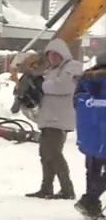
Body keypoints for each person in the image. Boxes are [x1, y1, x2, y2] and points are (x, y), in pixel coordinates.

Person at [25, 38, 83, 199]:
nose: (53, 58)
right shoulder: (52, 70)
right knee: (45, 154)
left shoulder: (73, 67)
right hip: (48, 118)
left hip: (59, 119)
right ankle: (46, 187)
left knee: (54, 154)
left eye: (56, 55)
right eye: (50, 55)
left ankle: (67, 189)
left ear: (63, 54)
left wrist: (40, 86)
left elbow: (64, 86)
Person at [73, 52, 106, 219]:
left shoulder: (86, 79)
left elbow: (76, 104)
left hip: (90, 133)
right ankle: (90, 200)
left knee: (92, 169)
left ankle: (92, 206)